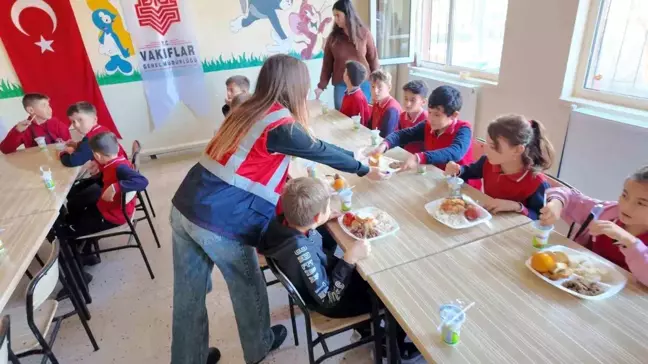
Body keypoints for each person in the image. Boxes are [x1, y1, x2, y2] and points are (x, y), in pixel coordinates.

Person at [170, 54, 390, 364]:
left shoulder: (247, 108)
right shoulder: (279, 123)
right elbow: (319, 150)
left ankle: (188, 359)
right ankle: (260, 346)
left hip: (185, 204)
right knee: (247, 285)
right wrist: (363, 168)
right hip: (217, 219)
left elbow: (251, 162)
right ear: (293, 86)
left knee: (188, 294)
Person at [257, 177, 421, 362]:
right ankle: (392, 347)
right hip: (331, 302)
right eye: (326, 210)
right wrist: (349, 259)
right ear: (318, 216)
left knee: (371, 274)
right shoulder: (300, 251)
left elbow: (304, 234)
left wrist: (317, 223)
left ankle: (366, 327)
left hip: (321, 279)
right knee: (393, 293)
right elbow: (328, 298)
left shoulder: (280, 225)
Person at [540, 166, 648, 285]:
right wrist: (557, 202)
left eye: (641, 203)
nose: (626, 206)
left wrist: (630, 242)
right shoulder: (606, 212)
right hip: (580, 283)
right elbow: (570, 196)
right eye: (625, 195)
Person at [445, 115, 555, 220]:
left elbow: (539, 219)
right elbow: (468, 172)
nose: (486, 149)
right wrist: (458, 170)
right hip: (489, 222)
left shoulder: (536, 183)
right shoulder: (487, 162)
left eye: (493, 146)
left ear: (517, 150)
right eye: (486, 143)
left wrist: (516, 206)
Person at [368, 86, 478, 187]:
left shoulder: (464, 129)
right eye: (429, 112)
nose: (431, 118)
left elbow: (455, 152)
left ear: (454, 115)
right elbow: (402, 135)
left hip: (463, 186)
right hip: (439, 180)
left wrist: (419, 157)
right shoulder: (428, 125)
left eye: (437, 115)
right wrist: (384, 145)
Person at [315, 0, 378, 110]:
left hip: (363, 83)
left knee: (361, 117)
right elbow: (327, 64)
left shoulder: (364, 33)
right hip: (341, 84)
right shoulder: (333, 38)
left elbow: (373, 58)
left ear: (348, 14)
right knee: (341, 116)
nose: (336, 19)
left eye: (338, 15)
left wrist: (377, 82)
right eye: (334, 16)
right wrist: (321, 86)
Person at [60, 101, 127, 167]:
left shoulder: (91, 139)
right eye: (73, 122)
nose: (76, 125)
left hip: (115, 173)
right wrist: (77, 144)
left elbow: (73, 161)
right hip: (123, 164)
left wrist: (63, 152)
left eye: (80, 119)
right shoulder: (101, 129)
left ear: (94, 119)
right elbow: (86, 147)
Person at [0, 93, 71, 154]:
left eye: (48, 105)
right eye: (44, 105)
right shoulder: (24, 128)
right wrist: (17, 131)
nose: (49, 109)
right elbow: (5, 150)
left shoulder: (56, 123)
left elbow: (69, 144)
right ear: (31, 110)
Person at [368, 69, 401, 138]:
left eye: (379, 87)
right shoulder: (377, 102)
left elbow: (385, 137)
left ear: (389, 87)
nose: (375, 91)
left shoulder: (391, 110)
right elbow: (370, 125)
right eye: (373, 86)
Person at [398, 80, 429, 153]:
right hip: (405, 154)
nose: (407, 104)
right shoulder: (402, 116)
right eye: (406, 98)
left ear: (423, 102)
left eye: (413, 100)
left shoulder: (427, 119)